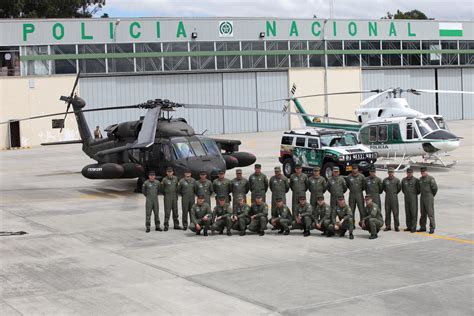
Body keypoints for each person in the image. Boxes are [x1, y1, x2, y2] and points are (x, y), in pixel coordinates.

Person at [418, 167, 438, 234]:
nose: (422, 173)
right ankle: (422, 227)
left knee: (430, 213)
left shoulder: (430, 178)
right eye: (421, 172)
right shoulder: (420, 179)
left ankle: (432, 228)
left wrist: (431, 196)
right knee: (422, 213)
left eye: (423, 172)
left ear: (426, 171)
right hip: (422, 197)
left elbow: (435, 188)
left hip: (429, 196)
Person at [382, 167, 401, 231]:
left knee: (395, 212)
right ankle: (388, 226)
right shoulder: (385, 180)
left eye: (392, 172)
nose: (391, 173)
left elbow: (399, 189)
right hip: (387, 197)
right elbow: (384, 188)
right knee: (387, 212)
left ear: (393, 172)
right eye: (389, 172)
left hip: (394, 197)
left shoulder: (397, 180)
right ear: (388, 173)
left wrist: (394, 193)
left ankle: (396, 226)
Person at [402, 168, 420, 233]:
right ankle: (409, 226)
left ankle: (413, 227)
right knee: (407, 213)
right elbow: (403, 190)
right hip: (406, 198)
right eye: (408, 172)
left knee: (413, 213)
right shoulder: (404, 180)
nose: (409, 174)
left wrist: (413, 194)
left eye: (410, 173)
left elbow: (418, 190)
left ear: (412, 173)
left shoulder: (416, 180)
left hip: (413, 198)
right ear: (406, 173)